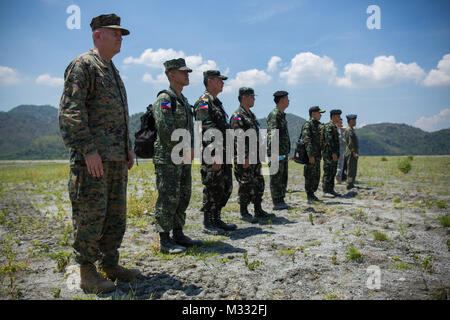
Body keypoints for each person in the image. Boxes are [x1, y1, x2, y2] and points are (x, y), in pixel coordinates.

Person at [59, 14, 140, 293]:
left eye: (121, 34)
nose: (120, 38)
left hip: (116, 158)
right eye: (114, 33)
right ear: (97, 35)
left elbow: (120, 115)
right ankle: (86, 272)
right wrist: (88, 150)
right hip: (93, 160)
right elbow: (71, 112)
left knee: (115, 215)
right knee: (91, 214)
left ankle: (110, 262)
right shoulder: (83, 65)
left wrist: (127, 147)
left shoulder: (112, 70)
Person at [152, 58, 201, 254]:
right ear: (171, 74)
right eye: (183, 72)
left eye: (188, 72)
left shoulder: (183, 101)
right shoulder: (165, 99)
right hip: (169, 157)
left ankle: (178, 233)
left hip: (184, 157)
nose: (187, 74)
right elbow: (165, 129)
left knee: (183, 195)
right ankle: (165, 239)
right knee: (168, 197)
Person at [194, 70, 237, 235]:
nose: (223, 83)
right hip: (212, 152)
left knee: (224, 187)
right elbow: (206, 128)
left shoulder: (216, 102)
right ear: (210, 81)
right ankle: (207, 222)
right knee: (212, 186)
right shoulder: (203, 102)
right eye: (220, 80)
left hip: (224, 151)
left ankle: (216, 218)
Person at [230, 87, 274, 223]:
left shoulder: (251, 115)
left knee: (258, 182)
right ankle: (244, 211)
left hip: (256, 156)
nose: (254, 99)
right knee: (245, 183)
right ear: (244, 97)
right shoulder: (238, 116)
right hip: (246, 157)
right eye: (252, 96)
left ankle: (258, 209)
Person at [267, 90, 291, 210]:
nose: (289, 100)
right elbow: (273, 133)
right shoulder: (275, 114)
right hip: (276, 152)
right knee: (276, 176)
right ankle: (277, 201)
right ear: (281, 100)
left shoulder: (281, 114)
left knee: (282, 176)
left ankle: (281, 199)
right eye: (287, 98)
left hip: (282, 152)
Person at [301, 106, 325, 203]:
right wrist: (310, 155)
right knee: (310, 175)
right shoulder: (308, 125)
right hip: (310, 155)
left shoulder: (319, 125)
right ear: (313, 114)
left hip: (317, 155)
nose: (320, 115)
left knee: (316, 175)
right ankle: (309, 195)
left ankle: (313, 194)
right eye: (319, 113)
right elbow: (307, 140)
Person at [322, 109, 342, 196]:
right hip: (329, 154)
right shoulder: (329, 126)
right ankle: (326, 191)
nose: (339, 118)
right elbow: (329, 141)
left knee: (332, 171)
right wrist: (333, 153)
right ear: (333, 117)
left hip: (333, 154)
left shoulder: (334, 126)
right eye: (338, 116)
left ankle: (330, 189)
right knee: (328, 172)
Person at [345, 114, 359, 190]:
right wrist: (354, 152)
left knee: (353, 168)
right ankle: (349, 184)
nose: (355, 122)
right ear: (350, 121)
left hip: (352, 152)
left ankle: (351, 183)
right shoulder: (349, 130)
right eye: (353, 120)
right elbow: (350, 142)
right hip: (351, 152)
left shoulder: (351, 129)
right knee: (351, 169)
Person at [336, 118, 347, 184]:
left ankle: (340, 178)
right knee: (339, 166)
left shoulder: (340, 130)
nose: (341, 124)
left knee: (341, 165)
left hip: (342, 151)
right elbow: (340, 140)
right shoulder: (336, 130)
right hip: (338, 151)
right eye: (340, 123)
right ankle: (338, 180)